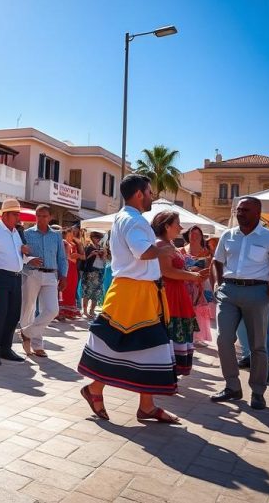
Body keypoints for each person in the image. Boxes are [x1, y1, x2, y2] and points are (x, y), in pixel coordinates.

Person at [78, 174, 180, 424]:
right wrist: (165, 247)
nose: (152, 197)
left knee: (140, 346)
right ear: (139, 194)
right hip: (134, 293)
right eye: (149, 192)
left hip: (137, 292)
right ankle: (99, 391)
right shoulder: (134, 221)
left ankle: (143, 404)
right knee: (136, 345)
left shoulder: (126, 218)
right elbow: (143, 252)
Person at [211, 197, 269, 411]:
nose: (240, 213)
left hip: (257, 292)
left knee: (258, 345)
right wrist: (218, 284)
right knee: (223, 339)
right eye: (238, 209)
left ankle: (258, 391)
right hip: (229, 291)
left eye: (245, 209)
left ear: (258, 212)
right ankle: (232, 387)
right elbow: (216, 261)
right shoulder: (228, 235)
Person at [152, 212, 207, 376]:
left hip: (177, 293)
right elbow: (166, 271)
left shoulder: (169, 244)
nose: (181, 227)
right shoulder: (161, 245)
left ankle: (169, 375)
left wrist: (193, 273)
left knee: (174, 333)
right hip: (169, 295)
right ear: (167, 226)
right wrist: (192, 276)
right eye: (178, 223)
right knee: (169, 332)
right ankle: (165, 375)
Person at [0, 199, 33, 366]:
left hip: (16, 277)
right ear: (5, 215)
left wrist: (25, 254)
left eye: (18, 214)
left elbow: (18, 257)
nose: (18, 217)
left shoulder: (16, 233)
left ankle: (5, 348)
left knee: (13, 314)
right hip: (0, 277)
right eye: (15, 214)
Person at [20, 204, 67, 358]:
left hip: (51, 275)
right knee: (29, 308)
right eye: (38, 215)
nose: (41, 219)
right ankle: (37, 345)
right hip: (31, 274)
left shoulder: (56, 236)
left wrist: (64, 275)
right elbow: (19, 254)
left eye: (44, 216)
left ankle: (27, 332)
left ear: (50, 217)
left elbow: (61, 257)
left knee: (52, 310)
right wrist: (29, 260)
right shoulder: (26, 234)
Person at [181, 226, 215, 346]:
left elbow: (209, 270)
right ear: (188, 236)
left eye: (197, 234)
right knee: (186, 309)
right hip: (185, 283)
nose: (194, 236)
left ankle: (198, 336)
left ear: (201, 237)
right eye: (192, 234)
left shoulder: (206, 252)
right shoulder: (182, 250)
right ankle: (186, 334)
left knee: (199, 310)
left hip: (200, 284)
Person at [57, 226, 83, 320]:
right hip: (67, 266)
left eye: (73, 233)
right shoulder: (64, 242)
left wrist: (79, 245)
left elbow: (83, 256)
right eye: (71, 233)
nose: (73, 234)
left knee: (72, 288)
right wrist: (74, 256)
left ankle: (69, 311)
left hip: (73, 267)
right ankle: (61, 312)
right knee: (65, 289)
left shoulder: (74, 243)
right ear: (66, 233)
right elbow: (64, 256)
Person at [81, 231, 107, 318]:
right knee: (87, 292)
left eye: (99, 238)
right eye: (96, 238)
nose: (98, 240)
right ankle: (85, 311)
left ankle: (92, 310)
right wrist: (92, 254)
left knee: (97, 292)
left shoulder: (100, 248)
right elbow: (83, 260)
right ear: (92, 238)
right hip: (90, 272)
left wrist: (103, 254)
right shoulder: (88, 248)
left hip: (99, 271)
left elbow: (104, 262)